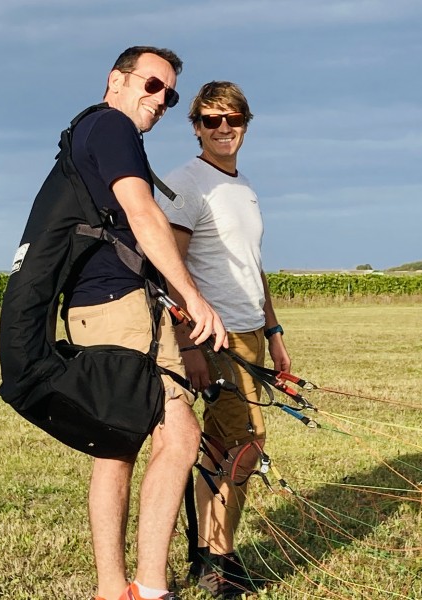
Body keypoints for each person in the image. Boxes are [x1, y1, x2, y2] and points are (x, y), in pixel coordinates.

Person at [63, 47, 227, 600]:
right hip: (119, 309)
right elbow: (142, 211)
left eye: (170, 94)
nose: (160, 100)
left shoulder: (86, 131)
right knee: (179, 434)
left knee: (118, 442)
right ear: (117, 79)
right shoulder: (112, 126)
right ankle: (150, 587)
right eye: (152, 85)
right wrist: (193, 296)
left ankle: (114, 589)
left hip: (95, 306)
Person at [156, 81, 291, 598]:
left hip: (251, 330)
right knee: (243, 443)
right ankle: (219, 559)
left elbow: (253, 268)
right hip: (215, 336)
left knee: (222, 446)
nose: (223, 128)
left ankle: (207, 552)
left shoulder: (244, 188)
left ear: (245, 124)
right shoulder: (188, 184)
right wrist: (190, 342)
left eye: (232, 119)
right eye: (211, 120)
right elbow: (173, 269)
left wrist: (274, 331)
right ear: (195, 127)